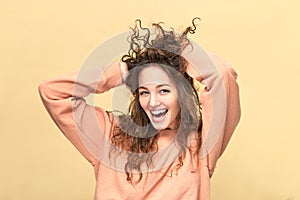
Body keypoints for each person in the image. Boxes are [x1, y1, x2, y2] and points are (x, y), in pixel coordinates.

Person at [38, 18, 241, 200]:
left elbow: (222, 75)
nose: (152, 102)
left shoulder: (201, 146)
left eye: (163, 90)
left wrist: (177, 55)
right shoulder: (110, 134)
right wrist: (115, 74)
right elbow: (52, 92)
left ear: (182, 93)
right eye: (144, 92)